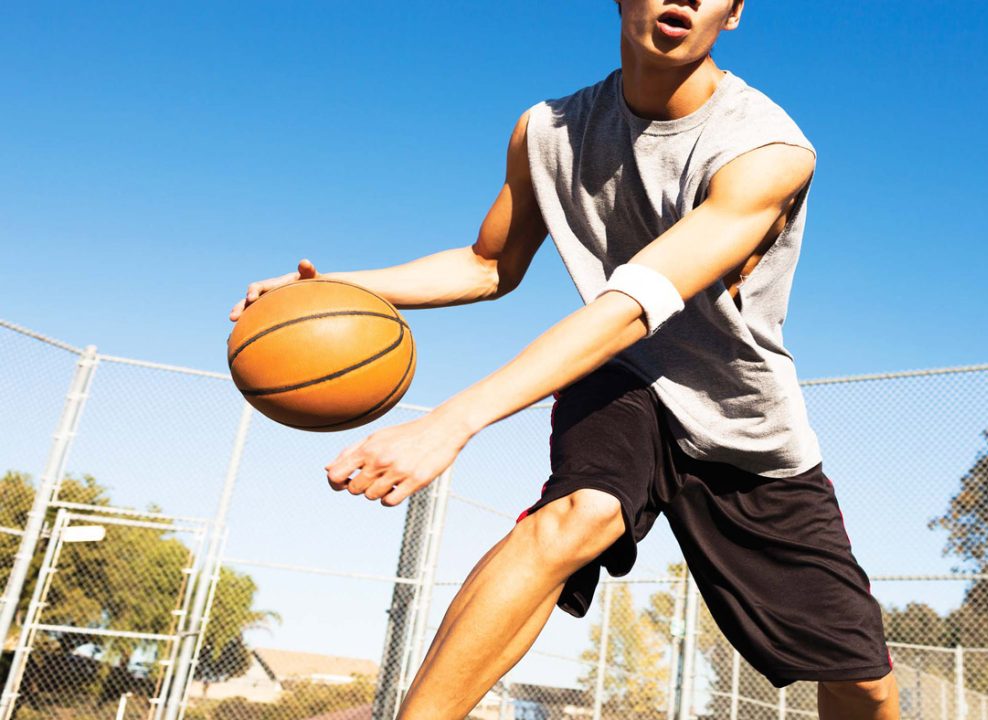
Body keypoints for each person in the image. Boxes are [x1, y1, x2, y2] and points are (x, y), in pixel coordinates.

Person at [230, 1, 897, 717]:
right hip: (624, 375)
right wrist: (335, 287)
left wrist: (452, 421)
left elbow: (634, 301)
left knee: (861, 679)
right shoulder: (546, 131)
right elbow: (489, 264)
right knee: (581, 512)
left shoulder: (766, 148)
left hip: (740, 420)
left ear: (733, 14)